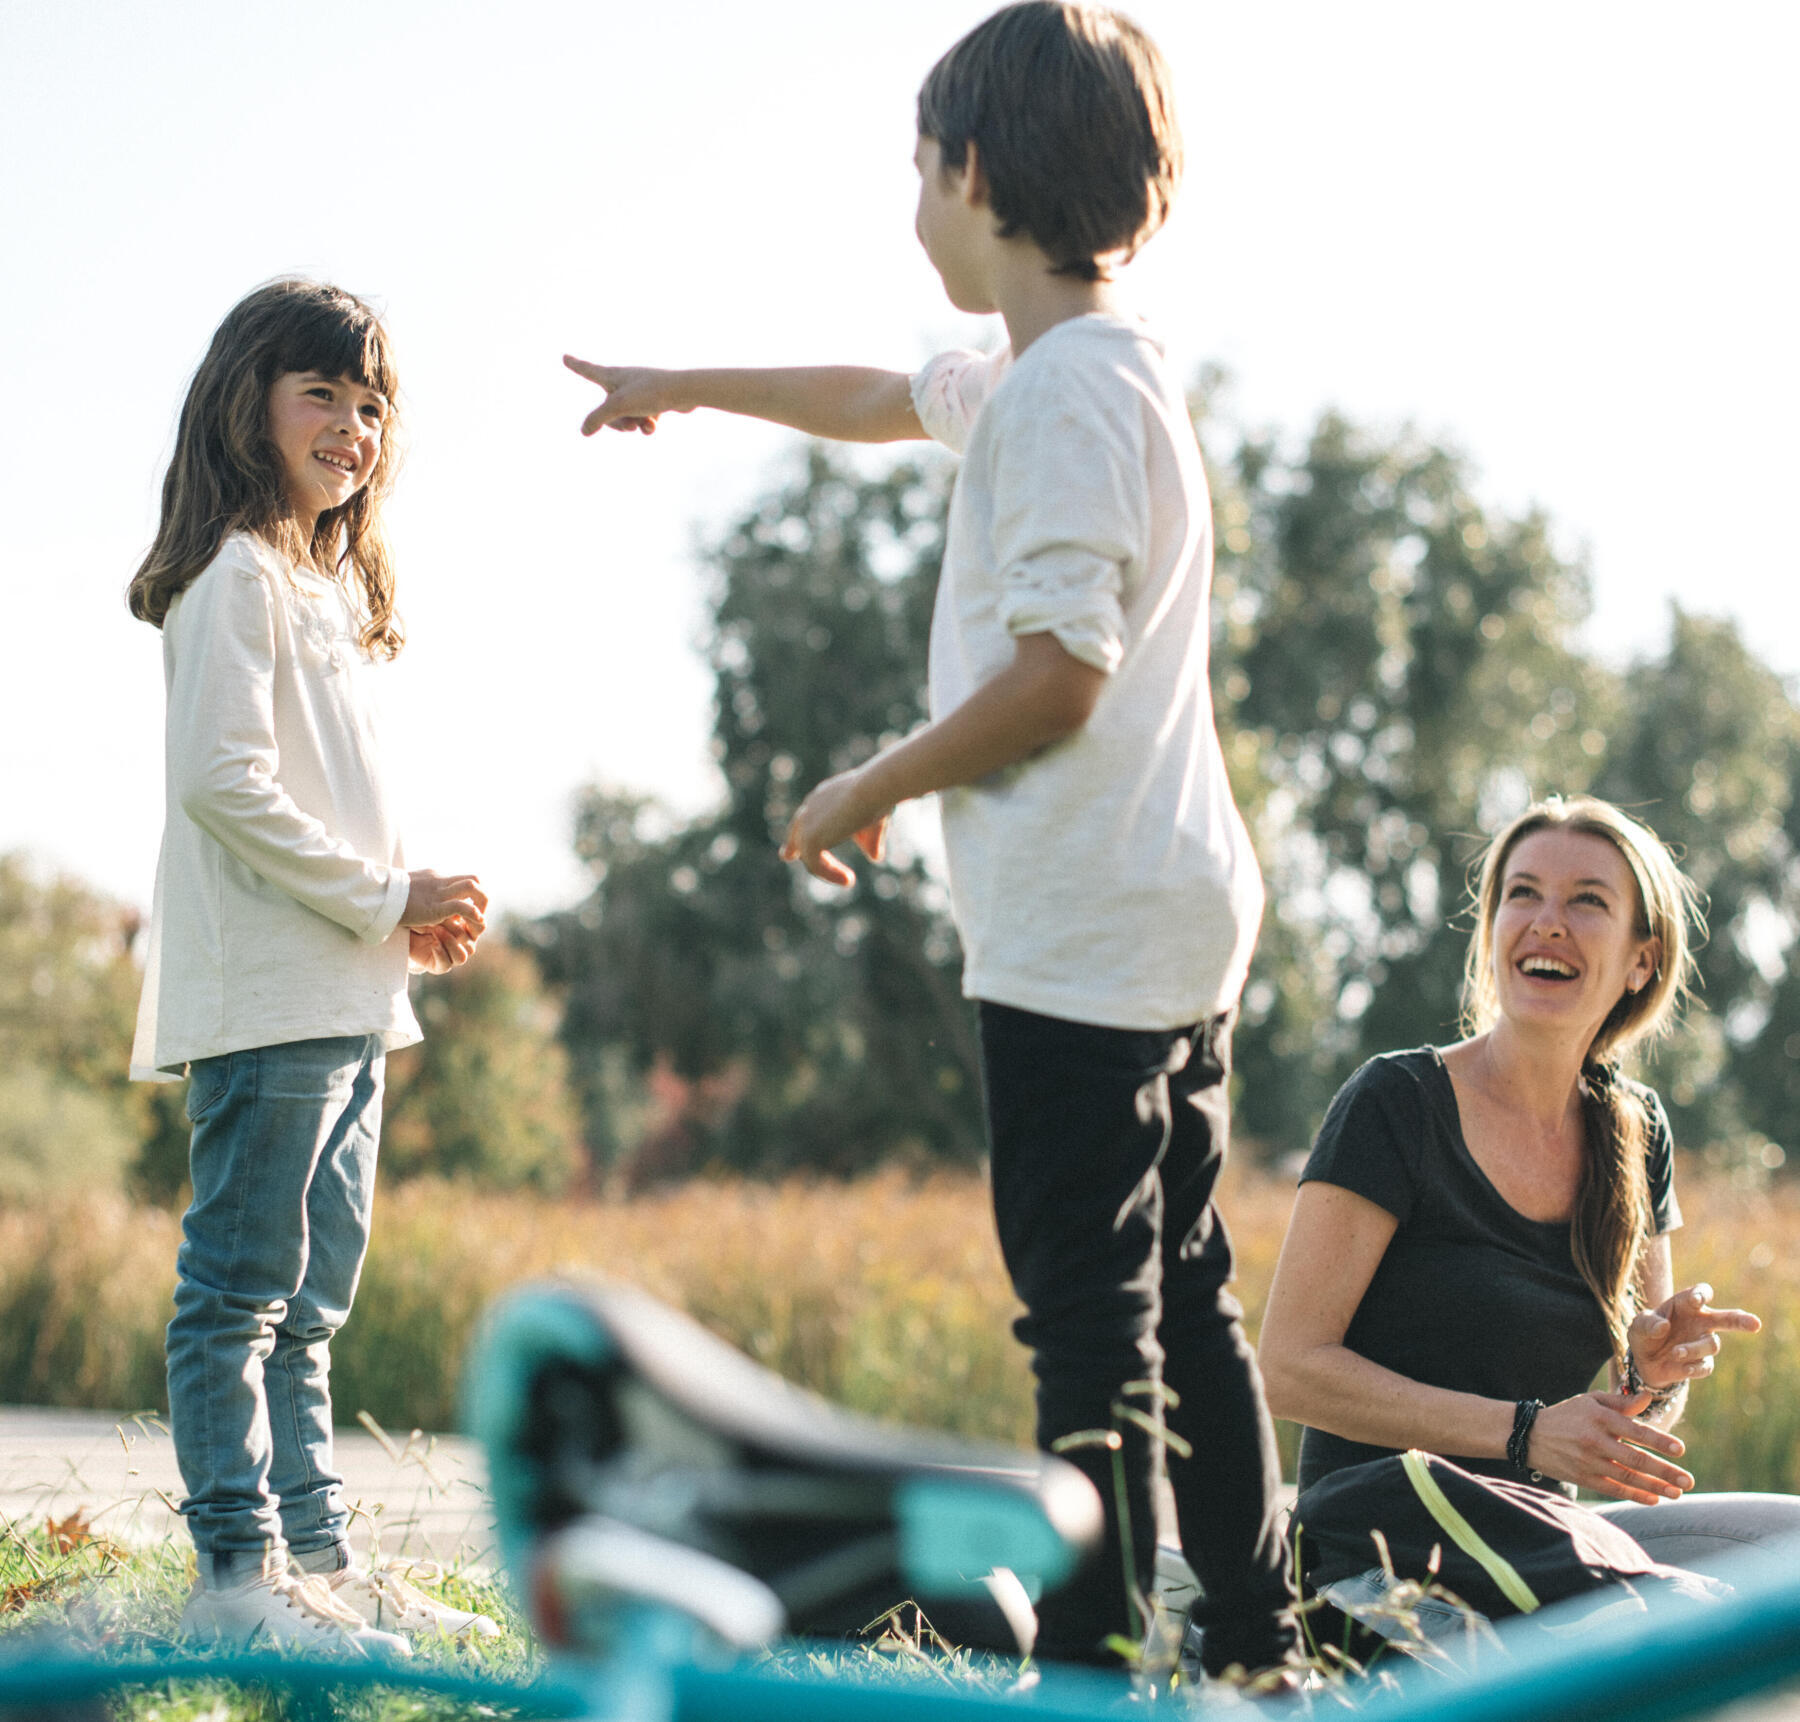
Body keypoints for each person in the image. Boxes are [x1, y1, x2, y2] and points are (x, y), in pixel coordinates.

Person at [561, 2, 1296, 1677]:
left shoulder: (1061, 405)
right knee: (1188, 1298)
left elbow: (1059, 675)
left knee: (1092, 1324)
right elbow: (887, 394)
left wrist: (868, 783)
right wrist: (682, 382)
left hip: (1085, 930)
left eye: (915, 169)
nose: (911, 201)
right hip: (1170, 910)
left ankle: (1099, 1671)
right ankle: (1259, 1645)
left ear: (970, 171)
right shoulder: (1092, 373)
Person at [127, 279, 498, 1654]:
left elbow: (323, 795)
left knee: (313, 1307)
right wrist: (384, 891)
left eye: (371, 402)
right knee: (238, 1292)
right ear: (251, 406)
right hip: (270, 1000)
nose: (353, 424)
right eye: (322, 394)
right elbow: (225, 787)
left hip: (349, 994)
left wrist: (401, 914)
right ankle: (238, 1575)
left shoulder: (322, 587)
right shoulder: (232, 577)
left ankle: (320, 1560)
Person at [1258, 794, 1800, 1585]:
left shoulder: (1636, 1129)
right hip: (1375, 1545)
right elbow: (1287, 1367)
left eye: (1587, 901)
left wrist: (1648, 1378)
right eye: (1523, 893)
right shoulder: (1395, 1103)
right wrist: (1523, 1435)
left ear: (1640, 960)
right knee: (1673, 1614)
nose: (1548, 921)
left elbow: (1621, 1417)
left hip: (1541, 1544)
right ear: (1492, 933)